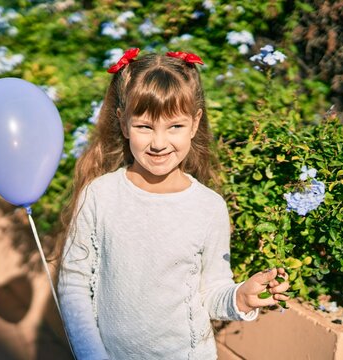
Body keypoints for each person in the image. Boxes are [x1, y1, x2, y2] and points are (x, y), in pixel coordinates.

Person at [56, 48, 290, 360]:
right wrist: (92, 355)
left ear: (195, 124)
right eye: (144, 126)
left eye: (174, 126)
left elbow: (211, 290)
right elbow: (74, 283)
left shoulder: (209, 208)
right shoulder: (99, 195)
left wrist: (240, 298)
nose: (159, 142)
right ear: (123, 124)